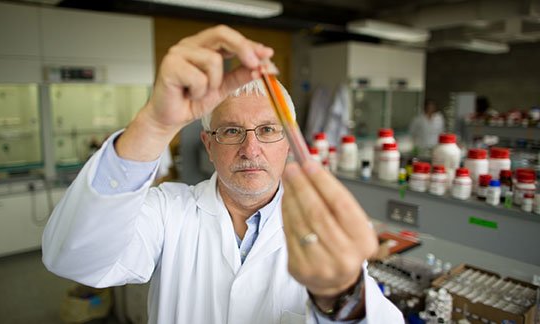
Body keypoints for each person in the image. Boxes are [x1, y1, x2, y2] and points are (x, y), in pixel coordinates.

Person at [42, 25, 403, 324]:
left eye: (267, 130)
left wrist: (340, 296)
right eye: (231, 131)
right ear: (209, 146)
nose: (250, 149)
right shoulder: (168, 211)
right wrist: (154, 124)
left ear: (289, 144)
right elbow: (74, 259)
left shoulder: (324, 232)